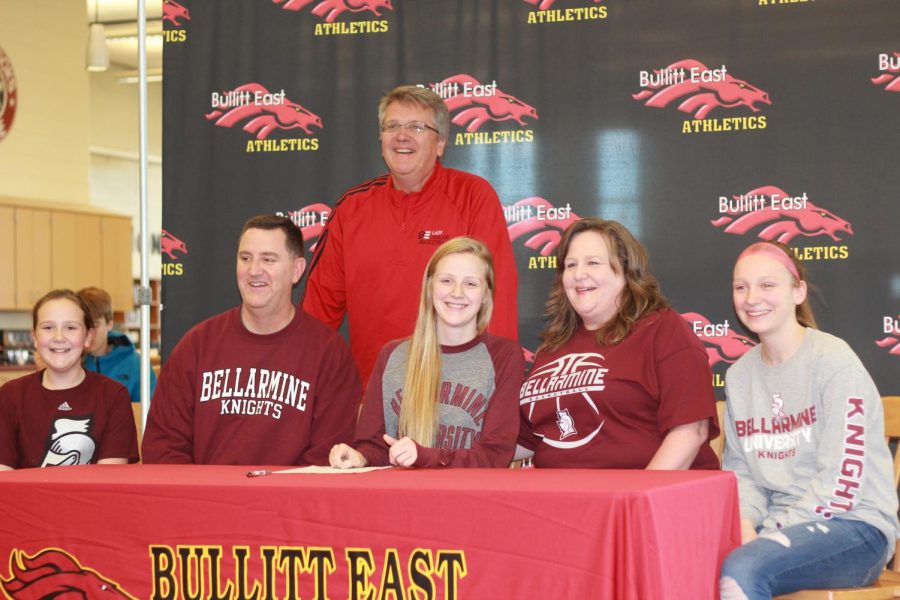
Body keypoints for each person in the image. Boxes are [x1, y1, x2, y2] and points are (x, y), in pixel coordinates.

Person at [302, 85, 519, 385]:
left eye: (416, 127)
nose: (401, 135)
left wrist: (496, 388)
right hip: (370, 400)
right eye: (392, 126)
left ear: (441, 142)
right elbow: (318, 313)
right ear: (381, 140)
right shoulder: (351, 208)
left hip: (453, 399)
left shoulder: (472, 197)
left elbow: (497, 301)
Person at [719, 241, 899, 599]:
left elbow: (841, 482)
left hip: (855, 529)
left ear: (797, 291)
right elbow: (741, 473)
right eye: (742, 286)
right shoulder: (739, 376)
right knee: (687, 552)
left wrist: (770, 530)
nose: (753, 297)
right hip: (776, 532)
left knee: (743, 568)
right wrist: (741, 525)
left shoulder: (833, 361)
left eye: (768, 285)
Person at [142, 215, 361, 465]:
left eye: (268, 259)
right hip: (207, 501)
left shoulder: (328, 353)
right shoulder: (197, 346)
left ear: (297, 270)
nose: (254, 270)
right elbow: (163, 446)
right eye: (245, 258)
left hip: (289, 502)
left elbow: (328, 456)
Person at [516, 218, 719, 469]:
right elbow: (525, 441)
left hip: (646, 499)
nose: (579, 274)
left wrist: (637, 503)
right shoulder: (552, 348)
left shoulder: (662, 330)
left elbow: (690, 432)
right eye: (570, 265)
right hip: (564, 500)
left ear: (626, 271)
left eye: (593, 262)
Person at [329, 237, 524, 468]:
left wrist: (426, 456)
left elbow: (495, 455)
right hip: (403, 499)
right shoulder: (392, 355)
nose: (457, 292)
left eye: (471, 284)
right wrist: (359, 457)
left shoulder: (504, 356)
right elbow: (374, 446)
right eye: (446, 280)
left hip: (470, 500)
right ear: (430, 287)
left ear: (485, 295)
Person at [0, 289, 138, 470]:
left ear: (88, 336)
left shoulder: (113, 396)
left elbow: (109, 481)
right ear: (34, 337)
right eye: (48, 327)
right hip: (26, 499)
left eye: (70, 328)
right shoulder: (10, 395)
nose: (59, 337)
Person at [77, 286, 157, 404]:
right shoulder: (67, 362)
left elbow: (149, 413)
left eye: (95, 324)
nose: (89, 332)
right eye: (82, 324)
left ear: (109, 324)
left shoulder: (137, 364)